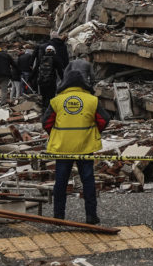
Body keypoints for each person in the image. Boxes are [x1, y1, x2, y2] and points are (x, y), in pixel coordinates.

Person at [42, 65, 109, 225]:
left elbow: (46, 122)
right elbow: (104, 120)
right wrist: (93, 132)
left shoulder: (56, 101)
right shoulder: (92, 100)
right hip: (85, 147)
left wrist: (58, 134)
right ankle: (91, 216)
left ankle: (58, 216)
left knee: (61, 182)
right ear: (83, 84)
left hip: (62, 147)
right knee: (88, 181)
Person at [32, 45, 62, 111]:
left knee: (44, 96)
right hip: (51, 81)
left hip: (41, 81)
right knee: (51, 97)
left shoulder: (41, 58)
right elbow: (60, 71)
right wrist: (63, 79)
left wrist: (31, 79)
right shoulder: (55, 58)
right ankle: (49, 112)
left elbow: (35, 69)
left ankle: (44, 110)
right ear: (54, 51)